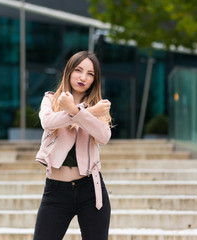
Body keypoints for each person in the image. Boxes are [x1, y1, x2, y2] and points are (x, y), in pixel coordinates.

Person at [33, 51, 112, 240]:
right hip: (56, 190)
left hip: (91, 191)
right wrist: (85, 112)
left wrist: (78, 110)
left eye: (90, 74)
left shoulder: (99, 106)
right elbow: (48, 122)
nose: (83, 77)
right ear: (69, 71)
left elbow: (103, 136)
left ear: (95, 79)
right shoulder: (50, 99)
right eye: (78, 70)